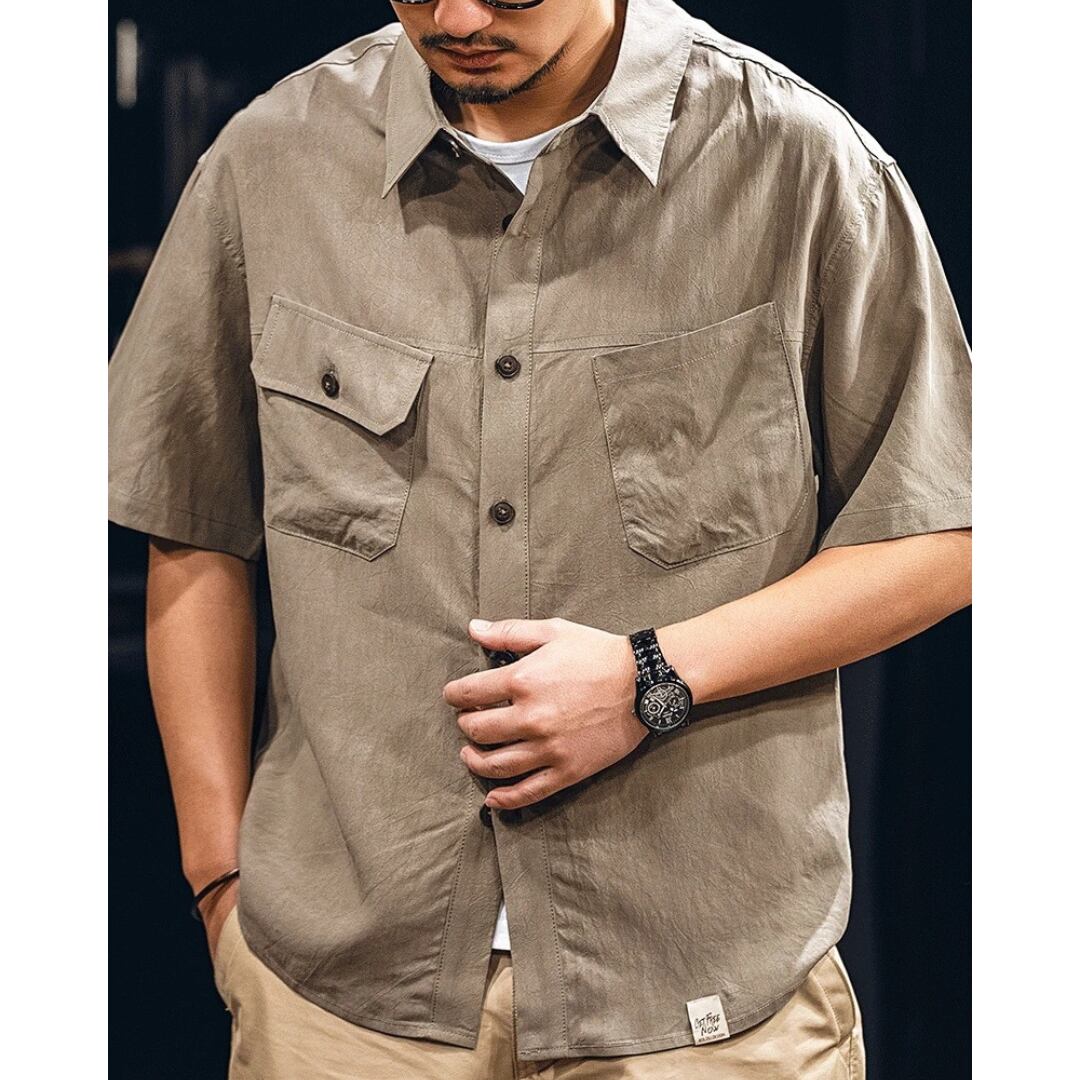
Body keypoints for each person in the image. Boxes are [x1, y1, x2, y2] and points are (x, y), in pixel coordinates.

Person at [108, 0, 971, 1075]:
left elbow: (947, 528)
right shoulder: (272, 161)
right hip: (342, 1006)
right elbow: (191, 526)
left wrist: (651, 677)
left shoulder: (797, 164)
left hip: (702, 1005)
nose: (459, 18)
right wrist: (217, 882)